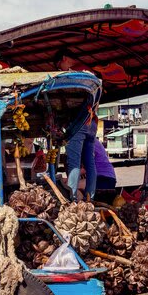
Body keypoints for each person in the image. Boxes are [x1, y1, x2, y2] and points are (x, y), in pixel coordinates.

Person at [53, 48, 98, 200]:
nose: (59, 68)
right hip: (92, 123)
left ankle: (71, 199)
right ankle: (90, 196)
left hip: (80, 122)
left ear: (64, 58)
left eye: (59, 64)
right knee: (89, 161)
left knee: (74, 160)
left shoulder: (73, 75)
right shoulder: (89, 74)